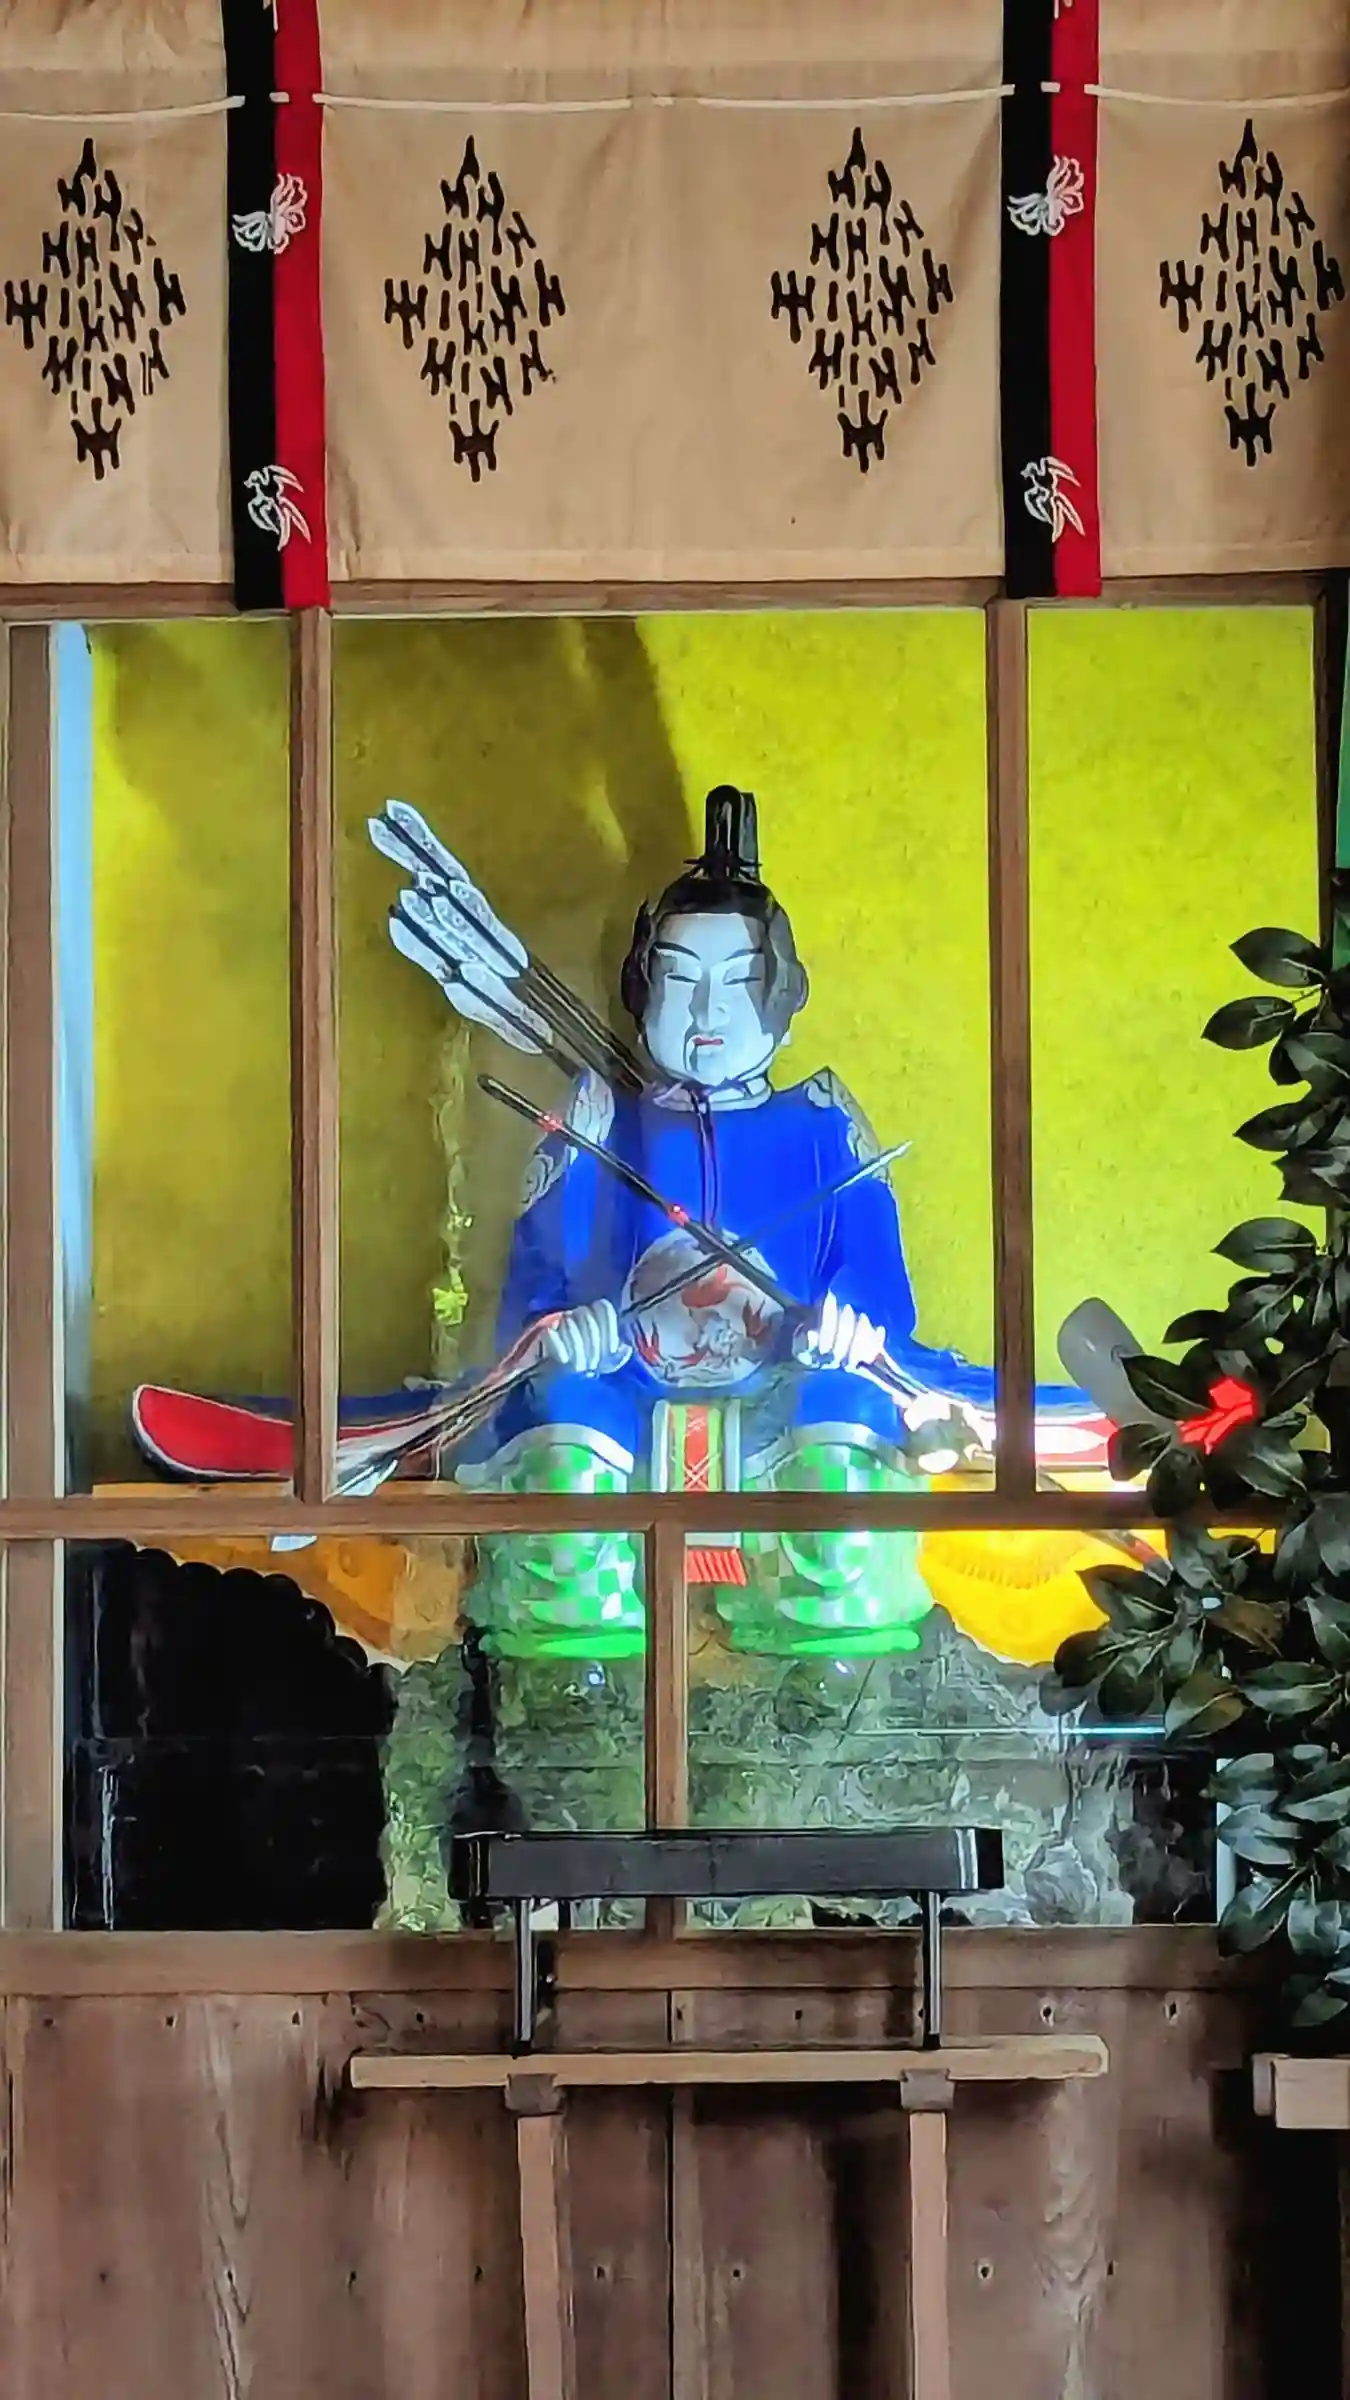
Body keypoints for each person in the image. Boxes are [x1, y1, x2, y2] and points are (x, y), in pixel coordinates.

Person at [456, 787, 1082, 1657]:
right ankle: (574, 1681)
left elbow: (875, 1281)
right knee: (563, 1444)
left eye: (738, 983)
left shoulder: (821, 1122)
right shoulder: (597, 1118)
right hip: (622, 1390)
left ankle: (820, 1682)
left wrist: (848, 1327)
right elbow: (535, 1279)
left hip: (787, 1391)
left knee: (843, 1450)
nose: (706, 1013)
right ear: (641, 990)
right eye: (680, 980)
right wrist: (564, 1329)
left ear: (782, 998)